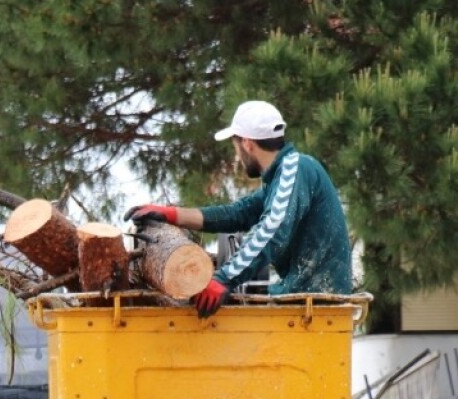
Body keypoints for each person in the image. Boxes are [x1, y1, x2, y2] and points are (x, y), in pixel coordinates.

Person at [126, 99, 352, 317]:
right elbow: (237, 213)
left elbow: (272, 230)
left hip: (316, 300)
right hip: (304, 294)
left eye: (236, 147)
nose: (237, 156)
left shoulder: (296, 168)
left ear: (247, 143)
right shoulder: (282, 178)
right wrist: (173, 214)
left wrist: (224, 278)